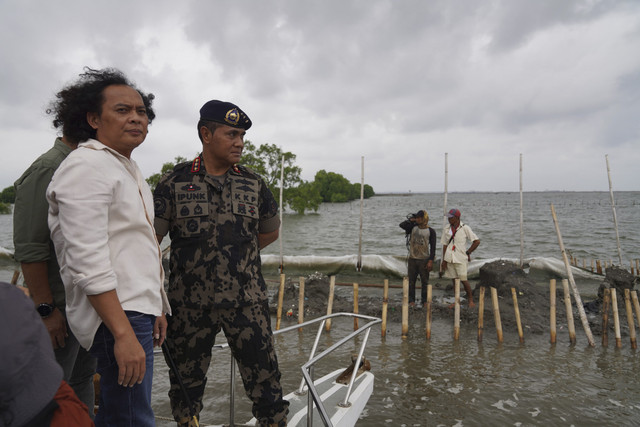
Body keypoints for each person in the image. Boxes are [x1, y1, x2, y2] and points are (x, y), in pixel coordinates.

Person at [46, 68, 170, 427]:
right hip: (118, 314)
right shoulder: (86, 167)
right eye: (122, 110)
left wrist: (156, 305)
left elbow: (135, 247)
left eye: (141, 111)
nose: (136, 117)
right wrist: (123, 332)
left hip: (134, 310)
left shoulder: (124, 167)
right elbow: (87, 261)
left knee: (123, 413)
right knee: (131, 418)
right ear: (93, 119)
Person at [154, 100, 288, 426]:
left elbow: (270, 232)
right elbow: (148, 244)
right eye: (231, 134)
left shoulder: (253, 183)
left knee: (266, 386)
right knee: (185, 392)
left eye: (242, 135)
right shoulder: (173, 183)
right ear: (206, 134)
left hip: (247, 303)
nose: (239, 142)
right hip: (188, 306)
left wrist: (235, 255)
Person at [13, 133, 97, 418]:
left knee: (82, 380)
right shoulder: (49, 168)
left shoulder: (85, 165)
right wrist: (46, 310)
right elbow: (30, 246)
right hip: (58, 306)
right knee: (49, 389)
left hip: (87, 303)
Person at [0, 281, 94, 427]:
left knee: (82, 378)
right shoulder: (14, 299)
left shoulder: (13, 299)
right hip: (37, 404)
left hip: (44, 401)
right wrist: (45, 307)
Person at [440, 208, 480, 308]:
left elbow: (476, 241)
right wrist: (444, 261)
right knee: (454, 280)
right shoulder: (447, 229)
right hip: (450, 258)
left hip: (460, 258)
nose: (449, 220)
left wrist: (468, 252)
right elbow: (445, 245)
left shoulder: (465, 228)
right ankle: (456, 301)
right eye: (448, 218)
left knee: (463, 280)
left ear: (457, 218)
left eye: (451, 218)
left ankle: (470, 299)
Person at [399, 209, 436, 306]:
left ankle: (424, 301)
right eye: (417, 218)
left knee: (425, 282)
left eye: (420, 218)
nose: (418, 219)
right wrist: (411, 220)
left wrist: (430, 261)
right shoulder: (413, 227)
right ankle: (411, 301)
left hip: (424, 259)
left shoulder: (431, 231)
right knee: (411, 281)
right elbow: (401, 225)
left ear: (424, 218)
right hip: (412, 259)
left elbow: (433, 248)